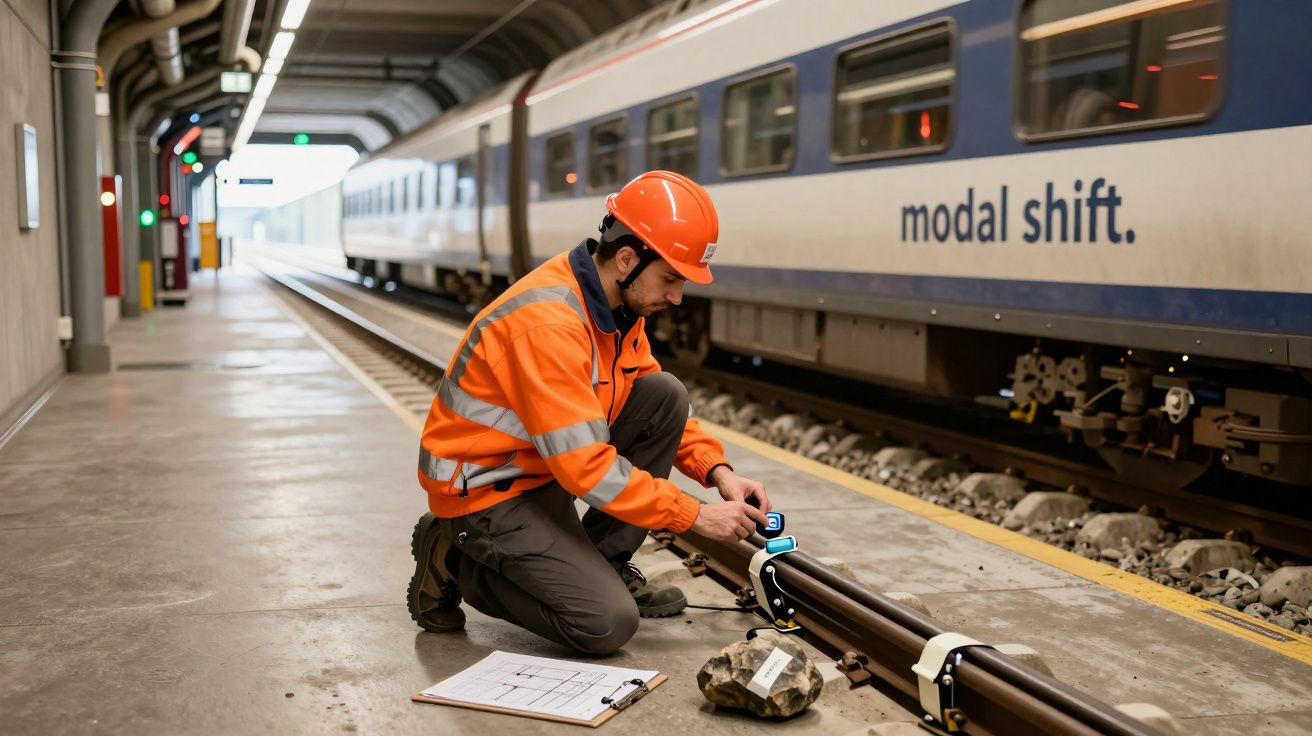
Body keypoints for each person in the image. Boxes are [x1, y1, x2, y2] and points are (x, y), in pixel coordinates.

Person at [406, 170, 772, 655]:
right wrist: (695, 516)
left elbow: (653, 403)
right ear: (627, 258)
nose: (677, 298)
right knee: (605, 624)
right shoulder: (549, 323)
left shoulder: (617, 307)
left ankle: (602, 563)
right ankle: (455, 558)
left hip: (540, 468)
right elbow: (587, 468)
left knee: (664, 393)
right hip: (486, 491)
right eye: (670, 279)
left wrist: (718, 472)